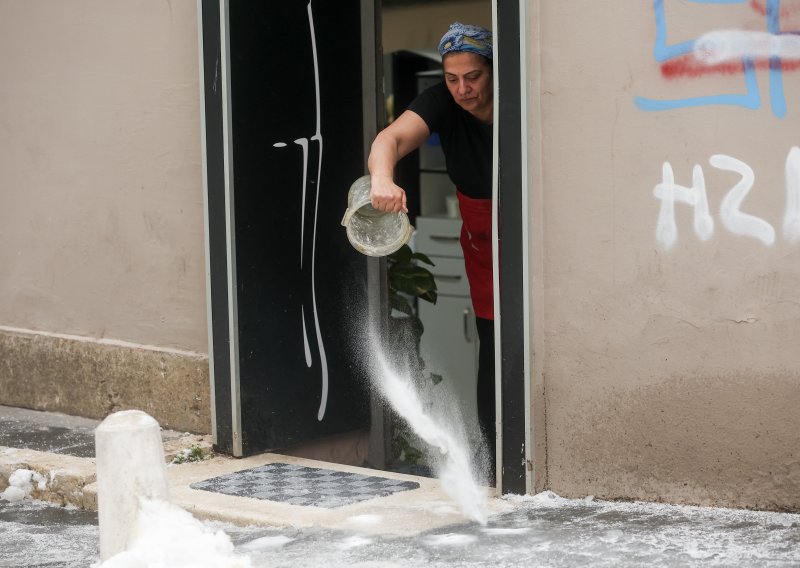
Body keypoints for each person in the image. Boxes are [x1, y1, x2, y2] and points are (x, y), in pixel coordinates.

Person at [368, 22, 496, 482]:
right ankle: (497, 464)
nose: (462, 89)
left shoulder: (520, 100)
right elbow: (391, 139)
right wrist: (383, 177)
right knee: (494, 348)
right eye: (452, 78)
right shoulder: (443, 102)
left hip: (534, 237)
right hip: (484, 240)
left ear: (495, 71)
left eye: (474, 77)